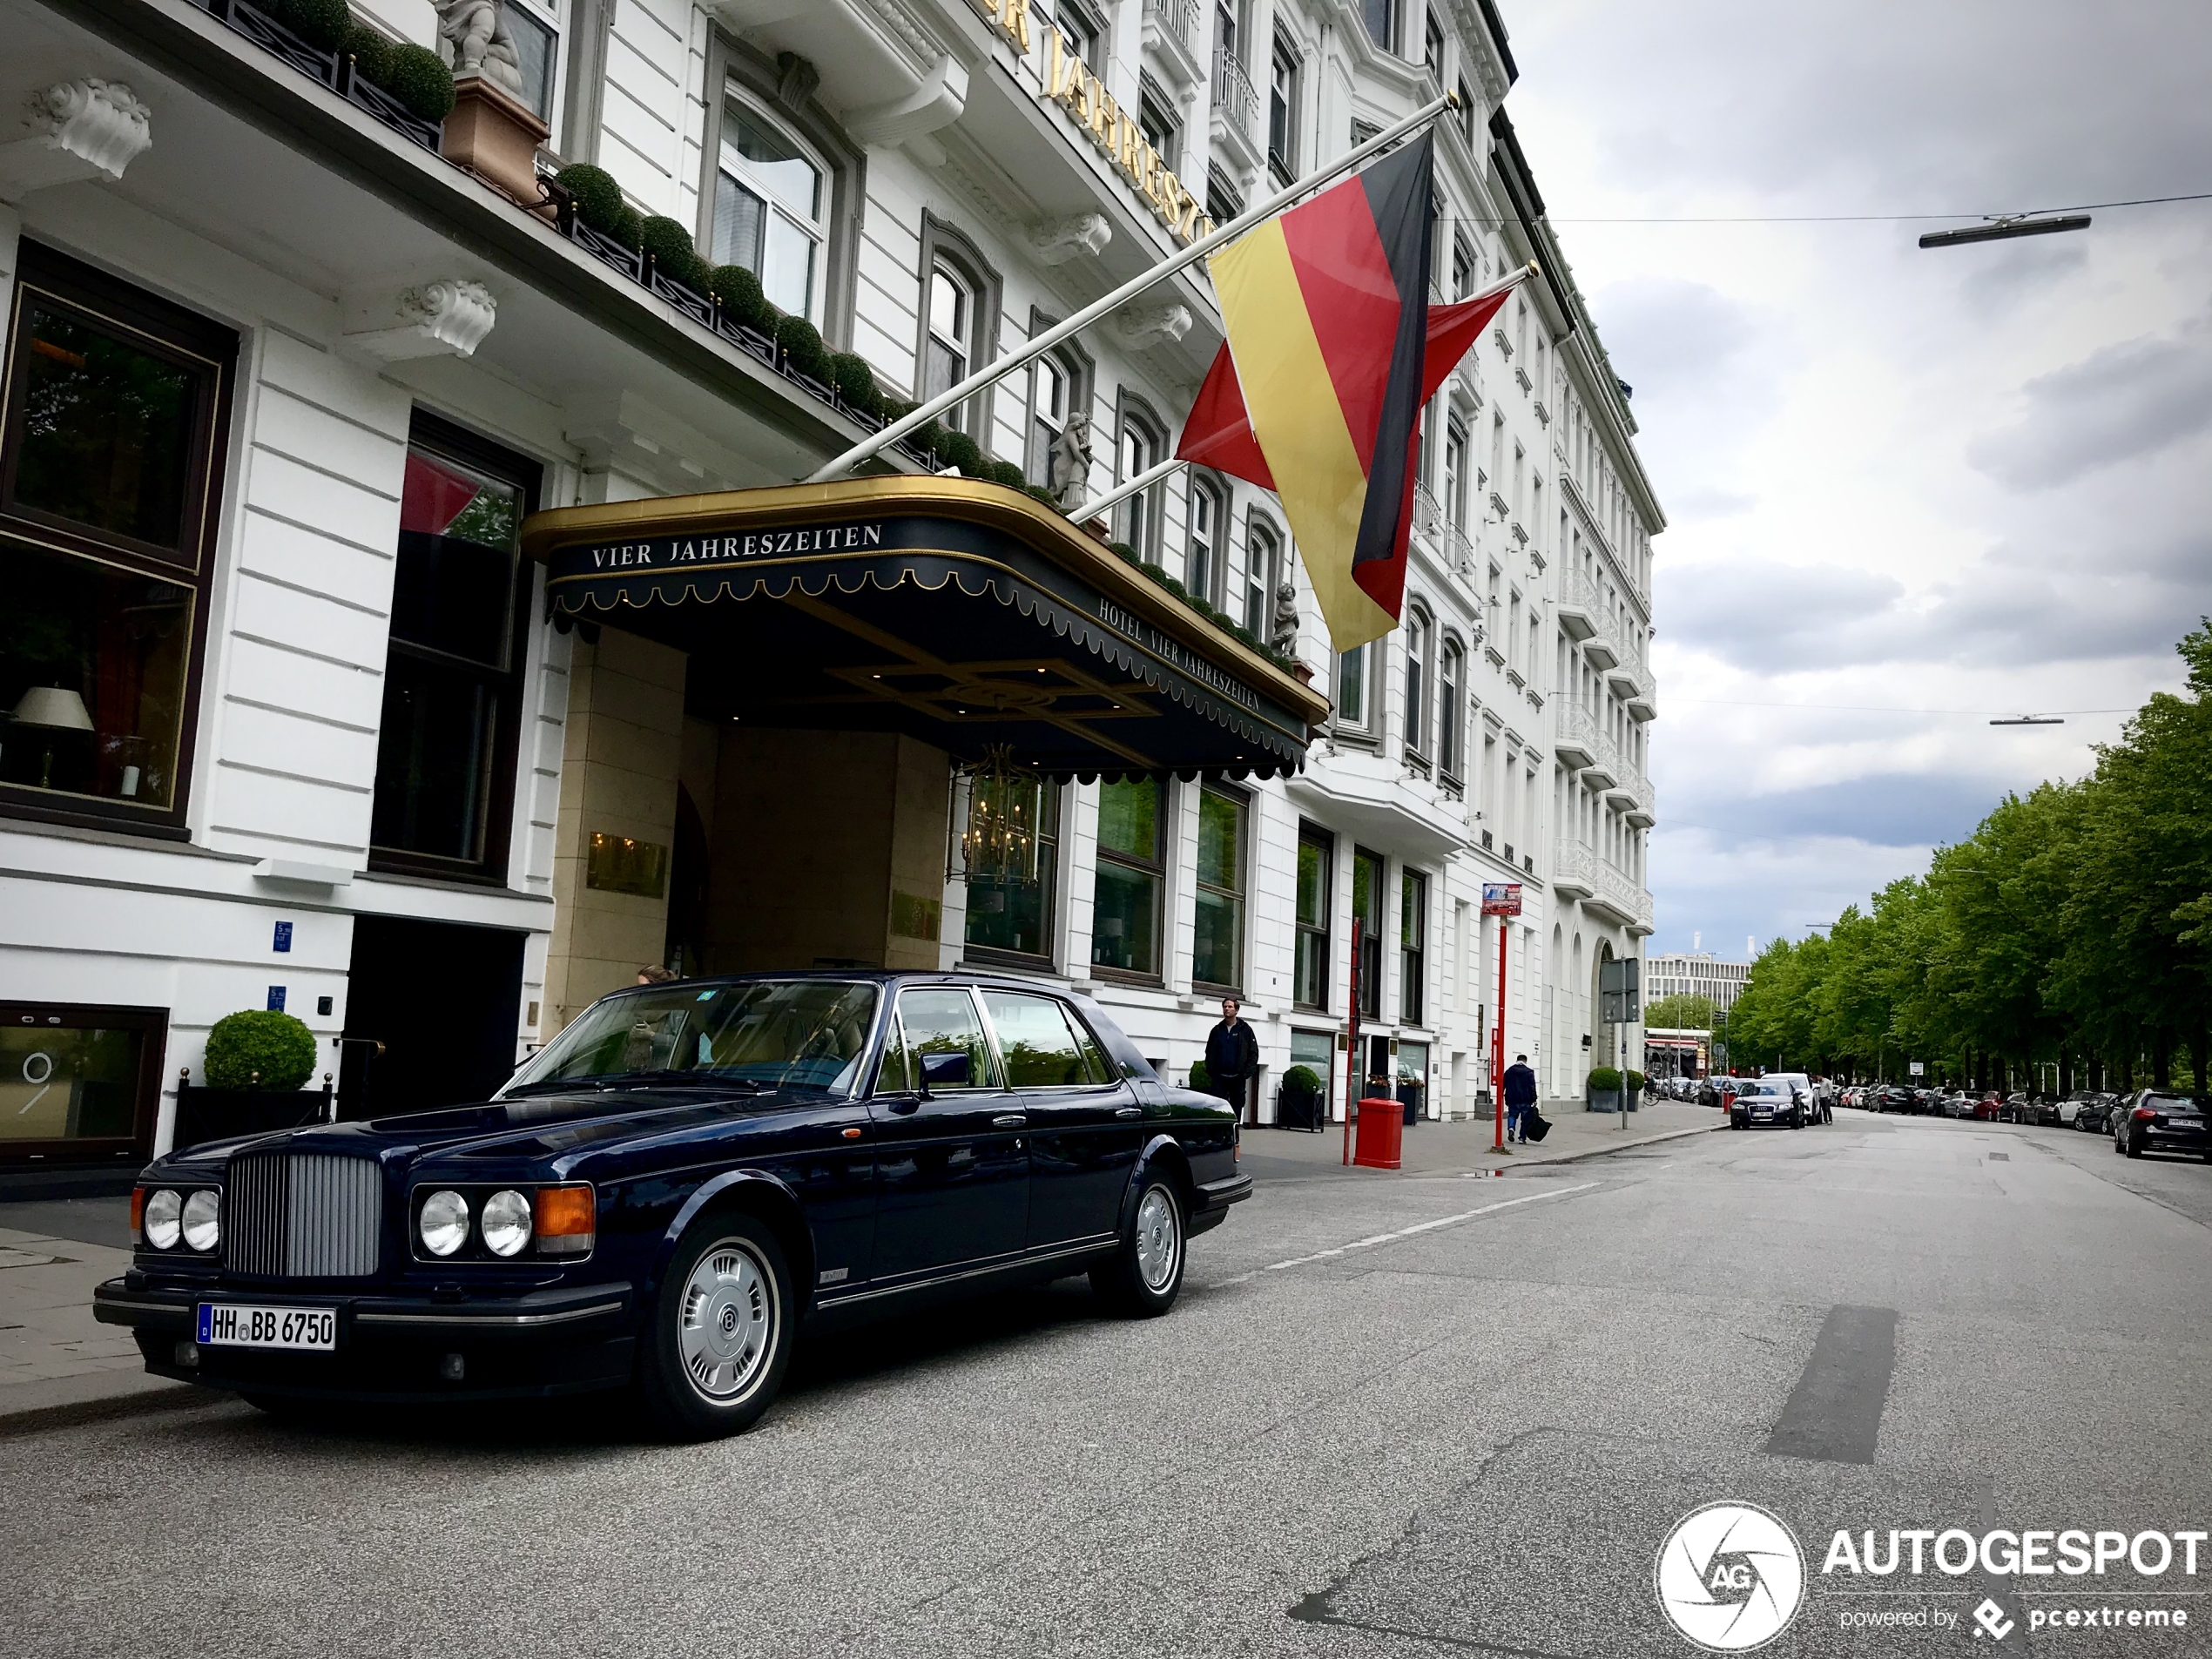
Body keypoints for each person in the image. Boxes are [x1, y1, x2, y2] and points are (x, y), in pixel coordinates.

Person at [1203, 996, 1258, 1117]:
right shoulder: (1217, 1030)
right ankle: (1219, 1135)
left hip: (1237, 1078)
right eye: (1225, 1007)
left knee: (1236, 1110)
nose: (1227, 1009)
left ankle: (1234, 1134)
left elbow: (1253, 1053)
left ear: (1236, 1010)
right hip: (1219, 1078)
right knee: (1218, 1109)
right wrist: (1211, 1070)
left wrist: (1245, 1073)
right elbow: (1209, 1051)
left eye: (1230, 1007)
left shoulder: (1245, 1030)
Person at [1503, 1053, 1538, 1142]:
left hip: (1512, 1098)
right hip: (1526, 1099)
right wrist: (1534, 1098)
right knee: (1525, 1119)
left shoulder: (1509, 1071)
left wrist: (1503, 1094)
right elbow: (1532, 1087)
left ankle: (1511, 1129)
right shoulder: (1529, 1072)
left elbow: (1504, 1084)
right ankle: (1522, 1138)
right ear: (1525, 1061)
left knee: (1512, 1115)